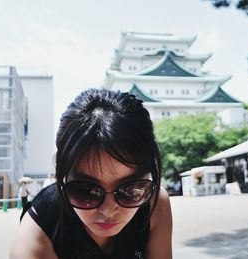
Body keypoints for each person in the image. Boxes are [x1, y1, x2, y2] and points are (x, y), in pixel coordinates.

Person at [10, 89, 173, 259]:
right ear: (62, 176)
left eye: (130, 191)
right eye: (86, 191)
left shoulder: (154, 205)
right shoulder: (37, 234)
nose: (108, 211)